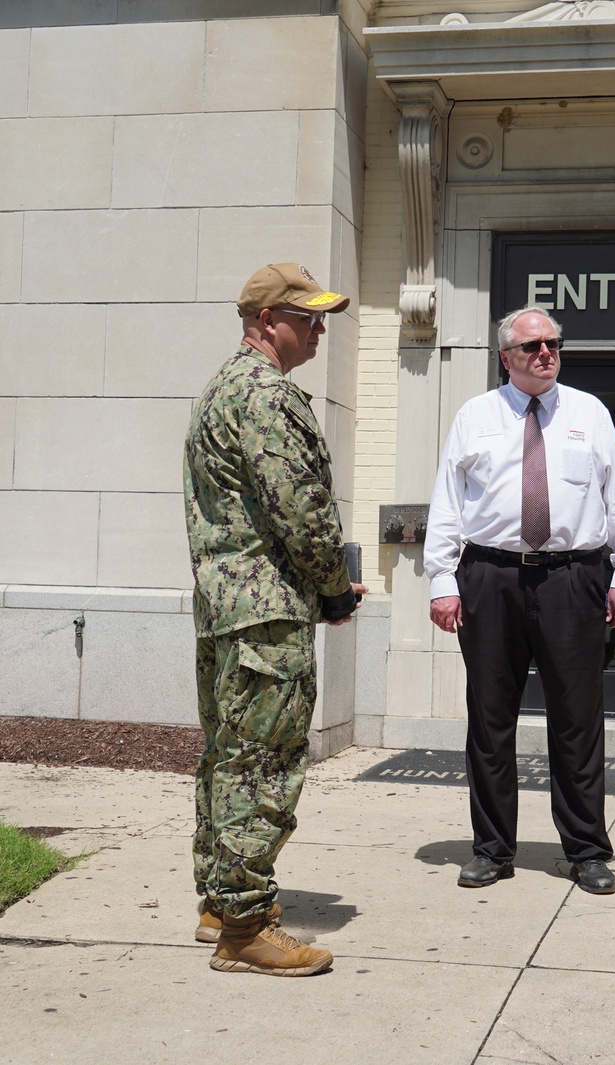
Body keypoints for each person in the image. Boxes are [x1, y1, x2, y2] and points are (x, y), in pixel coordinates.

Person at [423, 305, 615, 893]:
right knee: (490, 719)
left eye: (553, 343)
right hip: (489, 578)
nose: (545, 353)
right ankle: (492, 848)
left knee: (577, 719)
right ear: (506, 357)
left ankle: (586, 850)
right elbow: (448, 501)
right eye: (532, 346)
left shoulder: (589, 413)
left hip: (572, 579)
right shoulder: (475, 415)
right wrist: (442, 580)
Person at [183, 262, 365, 977]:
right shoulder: (266, 395)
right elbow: (303, 513)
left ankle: (219, 901)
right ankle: (246, 926)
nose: (321, 328)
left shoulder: (218, 390)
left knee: (227, 759)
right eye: (308, 316)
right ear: (266, 322)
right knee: (264, 765)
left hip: (228, 610)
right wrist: (335, 590)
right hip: (267, 615)